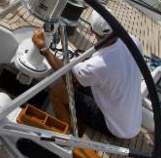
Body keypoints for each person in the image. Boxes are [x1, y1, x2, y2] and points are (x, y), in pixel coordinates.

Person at [31, 11, 143, 140]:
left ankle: (69, 136)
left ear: (91, 30)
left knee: (57, 91)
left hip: (116, 127)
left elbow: (68, 78)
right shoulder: (133, 41)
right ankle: (79, 119)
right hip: (131, 120)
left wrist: (43, 48)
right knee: (78, 83)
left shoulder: (99, 65)